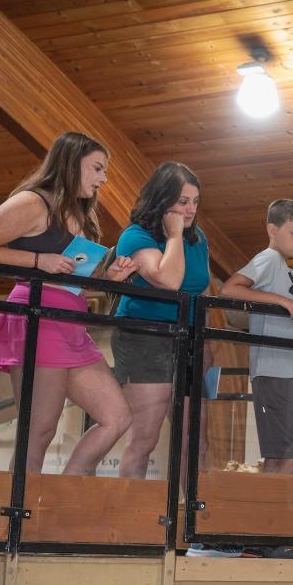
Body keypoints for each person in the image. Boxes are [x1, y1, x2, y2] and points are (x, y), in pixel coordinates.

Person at [0, 131, 136, 475]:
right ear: (72, 164)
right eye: (98, 169)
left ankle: (61, 495)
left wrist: (108, 280)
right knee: (40, 428)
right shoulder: (33, 202)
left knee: (116, 417)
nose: (104, 179)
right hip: (37, 317)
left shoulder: (82, 214)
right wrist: (38, 260)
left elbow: (74, 277)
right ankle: (19, 516)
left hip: (71, 321)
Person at [111, 162, 211, 480]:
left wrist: (203, 338)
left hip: (189, 339)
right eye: (182, 201)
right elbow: (169, 281)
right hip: (145, 337)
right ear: (161, 199)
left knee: (195, 441)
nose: (190, 208)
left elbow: (201, 287)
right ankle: (130, 518)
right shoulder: (135, 236)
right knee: (145, 438)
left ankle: (187, 519)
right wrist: (175, 236)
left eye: (195, 201)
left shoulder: (199, 238)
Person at [220, 199, 293, 475]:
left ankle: (265, 512)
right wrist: (280, 300)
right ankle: (268, 514)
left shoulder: (287, 270)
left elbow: (290, 316)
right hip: (278, 369)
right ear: (272, 230)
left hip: (290, 368)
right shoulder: (269, 259)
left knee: (278, 456)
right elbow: (229, 290)